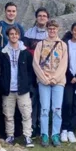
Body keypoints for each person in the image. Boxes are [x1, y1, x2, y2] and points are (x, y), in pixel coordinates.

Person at [33, 19, 69, 147]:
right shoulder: (40, 44)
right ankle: (44, 134)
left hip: (58, 81)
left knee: (57, 109)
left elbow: (64, 64)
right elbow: (35, 63)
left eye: (54, 28)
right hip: (44, 80)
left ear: (57, 29)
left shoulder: (63, 45)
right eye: (50, 28)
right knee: (44, 109)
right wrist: (44, 78)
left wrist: (55, 78)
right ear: (47, 29)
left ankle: (55, 134)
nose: (52, 31)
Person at [0, 27, 35, 148]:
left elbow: (30, 71)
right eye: (11, 34)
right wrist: (2, 84)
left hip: (22, 89)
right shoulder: (2, 53)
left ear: (19, 35)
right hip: (8, 90)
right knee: (8, 115)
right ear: (8, 36)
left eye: (16, 34)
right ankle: (10, 135)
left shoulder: (25, 53)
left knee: (26, 113)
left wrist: (27, 84)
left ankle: (27, 136)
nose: (14, 36)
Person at [23, 7, 49, 137]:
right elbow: (26, 52)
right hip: (31, 72)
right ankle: (32, 126)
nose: (42, 18)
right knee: (32, 99)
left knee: (44, 100)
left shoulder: (50, 34)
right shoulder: (28, 33)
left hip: (46, 72)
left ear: (47, 18)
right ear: (36, 17)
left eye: (44, 16)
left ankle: (42, 126)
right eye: (40, 15)